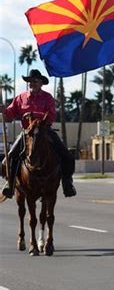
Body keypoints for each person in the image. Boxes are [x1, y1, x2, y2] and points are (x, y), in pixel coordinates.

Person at [1, 69, 76, 198]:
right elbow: (11, 113)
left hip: (44, 131)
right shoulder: (20, 98)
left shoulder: (47, 98)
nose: (32, 83)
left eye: (35, 81)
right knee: (10, 157)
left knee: (67, 155)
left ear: (41, 83)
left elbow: (51, 115)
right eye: (30, 81)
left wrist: (35, 117)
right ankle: (10, 184)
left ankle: (67, 183)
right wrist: (3, 110)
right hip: (26, 133)